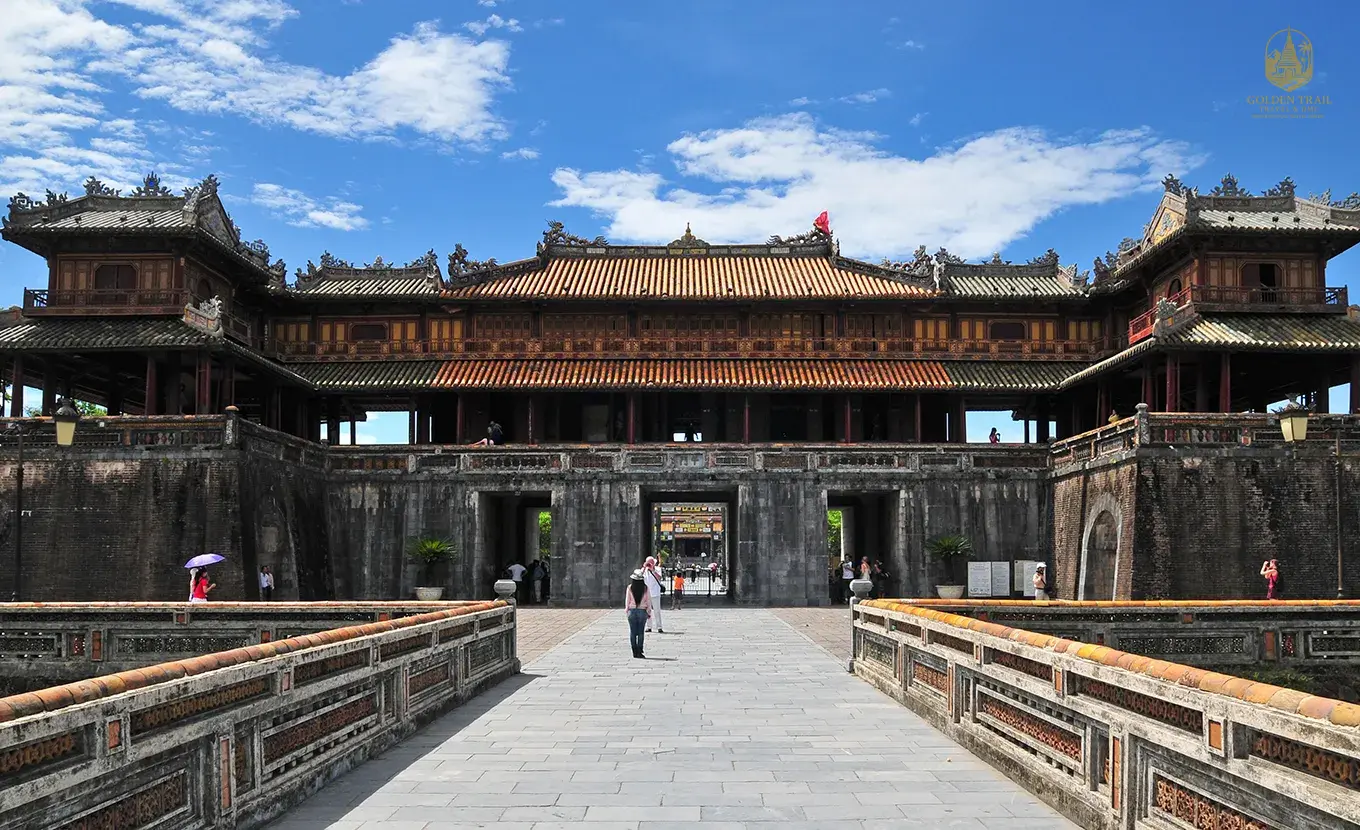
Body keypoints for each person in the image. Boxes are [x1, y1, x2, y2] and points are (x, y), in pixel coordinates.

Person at [625, 570, 651, 658]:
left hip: (632, 611)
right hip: (642, 611)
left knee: (632, 632)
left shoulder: (630, 588)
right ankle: (639, 650)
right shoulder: (645, 588)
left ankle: (634, 651)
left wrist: (627, 610)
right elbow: (648, 601)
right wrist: (649, 612)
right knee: (641, 632)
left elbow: (627, 600)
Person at [642, 556, 664, 633]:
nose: (650, 564)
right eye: (648, 563)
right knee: (647, 611)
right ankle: (649, 626)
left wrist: (653, 570)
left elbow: (659, 578)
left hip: (655, 593)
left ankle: (659, 626)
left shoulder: (658, 569)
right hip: (647, 593)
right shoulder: (644, 570)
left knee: (657, 611)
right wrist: (644, 568)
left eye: (651, 563)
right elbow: (639, 577)